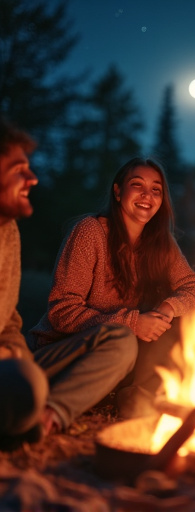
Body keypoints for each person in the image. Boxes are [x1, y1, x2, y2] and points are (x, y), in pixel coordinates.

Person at [28, 157, 195, 430]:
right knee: (124, 339)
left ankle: (136, 397)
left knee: (184, 322)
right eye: (137, 185)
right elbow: (61, 312)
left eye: (156, 190)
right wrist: (133, 323)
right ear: (117, 191)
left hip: (120, 358)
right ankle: (50, 416)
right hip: (64, 353)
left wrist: (167, 309)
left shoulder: (161, 244)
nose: (147, 196)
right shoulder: (91, 232)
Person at [0, 117, 48, 449]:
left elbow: (10, 320)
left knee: (27, 380)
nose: (32, 178)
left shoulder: (9, 232)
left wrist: (15, 353)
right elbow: (65, 312)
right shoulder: (91, 233)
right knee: (23, 385)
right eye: (19, 169)